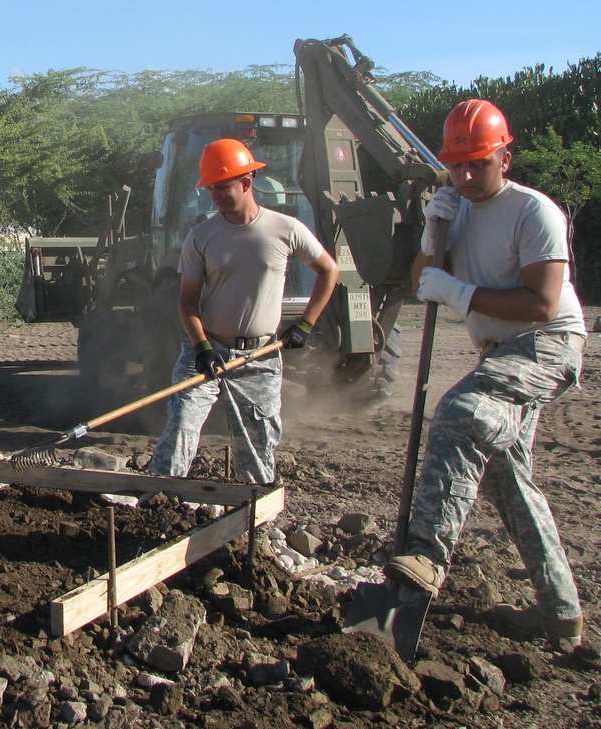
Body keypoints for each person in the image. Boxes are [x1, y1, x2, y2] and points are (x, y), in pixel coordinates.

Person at [383, 99, 588, 649]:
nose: (468, 176)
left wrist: (462, 293)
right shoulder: (456, 211)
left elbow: (544, 304)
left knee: (460, 414)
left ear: (506, 157)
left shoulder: (533, 211)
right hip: (497, 351)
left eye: (480, 163)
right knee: (508, 480)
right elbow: (422, 282)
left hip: (548, 344)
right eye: (458, 165)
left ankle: (427, 552)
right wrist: (433, 237)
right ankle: (562, 615)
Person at [148, 138, 339, 486]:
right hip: (204, 353)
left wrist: (306, 324)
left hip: (260, 357)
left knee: (257, 447)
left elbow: (329, 271)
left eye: (222, 187)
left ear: (246, 183)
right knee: (181, 423)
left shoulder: (286, 229)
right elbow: (187, 301)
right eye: (210, 189)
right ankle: (155, 498)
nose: (215, 196)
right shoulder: (200, 236)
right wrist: (202, 346)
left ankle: (254, 519)